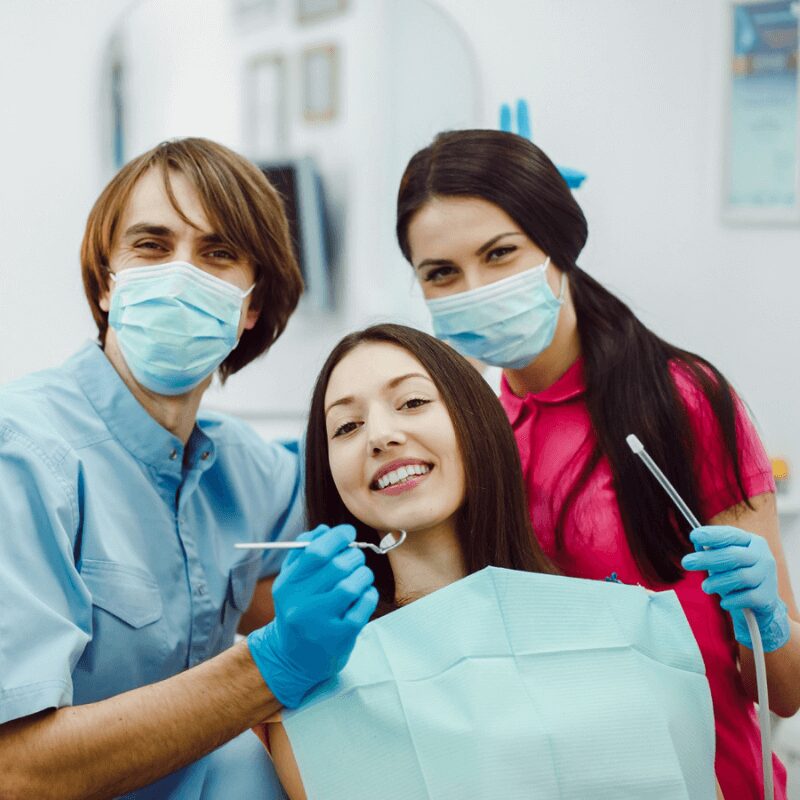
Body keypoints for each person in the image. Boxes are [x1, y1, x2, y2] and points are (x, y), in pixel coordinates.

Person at [394, 129, 800, 799]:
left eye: (500, 253)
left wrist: (770, 621)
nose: (477, 288)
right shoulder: (475, 436)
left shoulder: (683, 402)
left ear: (558, 246)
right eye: (442, 273)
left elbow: (786, 692)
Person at [0, 137, 377, 799]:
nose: (182, 274)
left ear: (250, 308)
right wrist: (269, 668)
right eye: (151, 245)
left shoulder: (249, 470)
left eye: (217, 253)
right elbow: (15, 769)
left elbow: (335, 596)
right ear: (107, 284)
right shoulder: (26, 454)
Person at [262, 323, 723, 800]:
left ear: (475, 419)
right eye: (346, 426)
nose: (380, 435)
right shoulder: (319, 678)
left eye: (413, 402)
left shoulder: (622, 626)